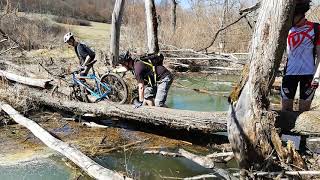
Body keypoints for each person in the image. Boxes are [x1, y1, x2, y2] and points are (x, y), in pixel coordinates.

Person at [281, 0, 320, 112]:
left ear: (300, 15)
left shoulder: (315, 28)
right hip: (289, 73)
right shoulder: (286, 28)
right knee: (286, 110)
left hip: (309, 75)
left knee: (304, 110)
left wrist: (317, 77)